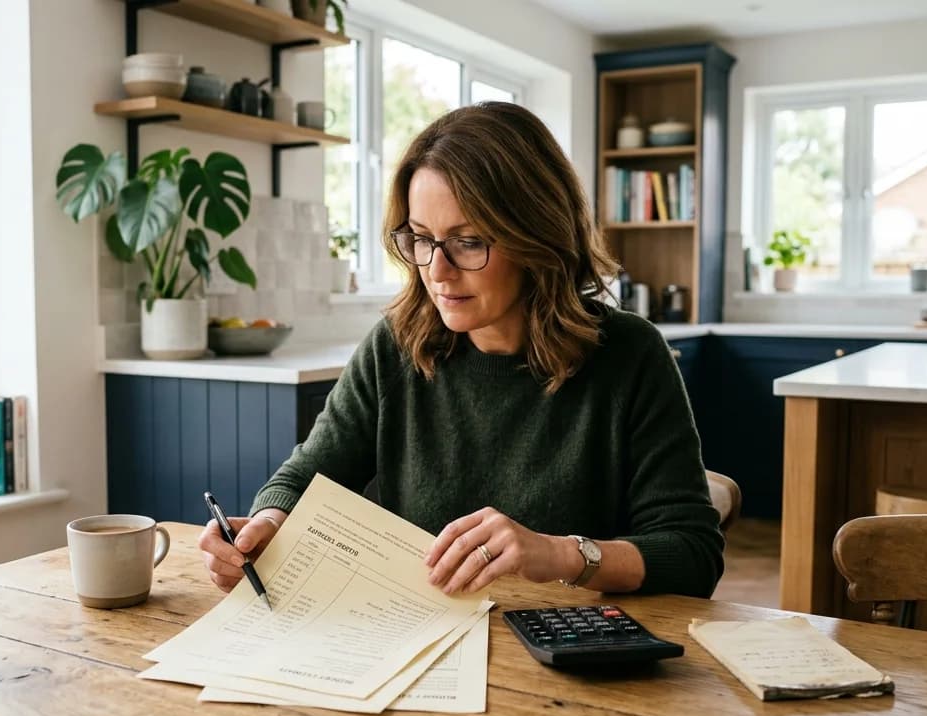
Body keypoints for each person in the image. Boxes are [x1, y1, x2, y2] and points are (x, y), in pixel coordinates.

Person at [198, 102, 723, 598]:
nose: (436, 270)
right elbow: (306, 477)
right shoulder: (396, 344)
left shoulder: (628, 354)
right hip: (418, 645)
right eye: (420, 238)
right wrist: (267, 525)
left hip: (570, 654)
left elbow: (692, 554)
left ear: (537, 236)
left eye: (469, 241)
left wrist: (559, 554)